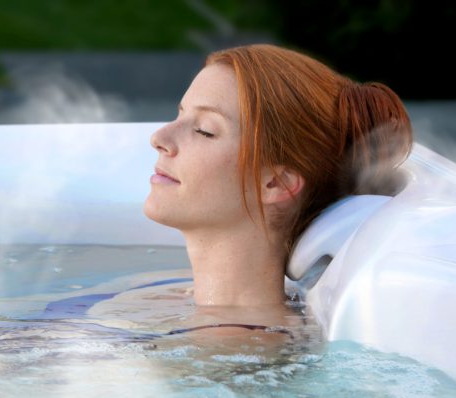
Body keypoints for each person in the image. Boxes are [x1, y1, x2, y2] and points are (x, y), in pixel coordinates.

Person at [144, 44, 413, 316]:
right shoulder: (167, 300)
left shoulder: (237, 347)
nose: (159, 138)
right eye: (180, 113)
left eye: (205, 131)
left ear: (276, 184)